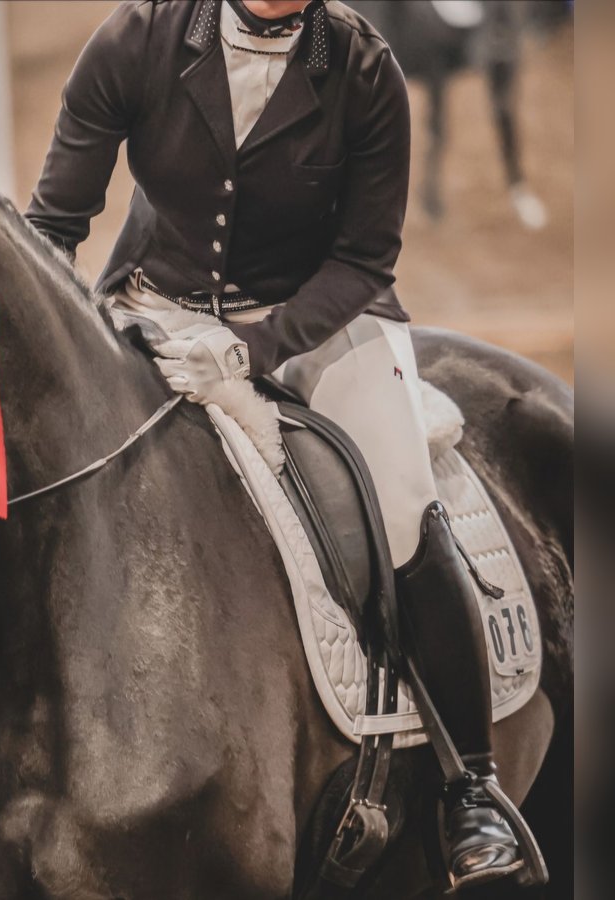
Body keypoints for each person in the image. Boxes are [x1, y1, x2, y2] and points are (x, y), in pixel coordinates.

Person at [26, 0, 529, 888]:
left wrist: (254, 348)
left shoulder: (366, 69)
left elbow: (366, 259)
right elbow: (54, 225)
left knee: (405, 503)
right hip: (157, 306)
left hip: (320, 320)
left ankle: (472, 792)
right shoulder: (137, 38)